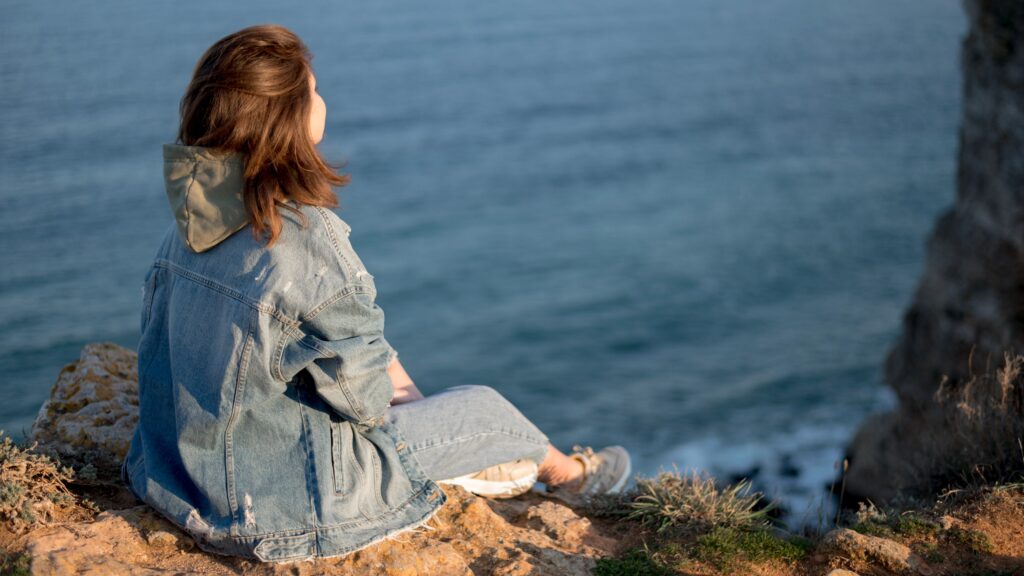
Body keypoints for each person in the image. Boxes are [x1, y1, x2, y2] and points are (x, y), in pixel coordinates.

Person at [121, 24, 631, 563]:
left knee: (397, 379)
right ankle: (573, 476)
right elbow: (363, 402)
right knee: (486, 409)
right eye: (313, 90)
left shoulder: (186, 230)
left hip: (177, 477)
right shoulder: (306, 241)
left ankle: (505, 463)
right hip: (286, 503)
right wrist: (406, 403)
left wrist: (395, 382)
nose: (323, 99)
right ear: (287, 117)